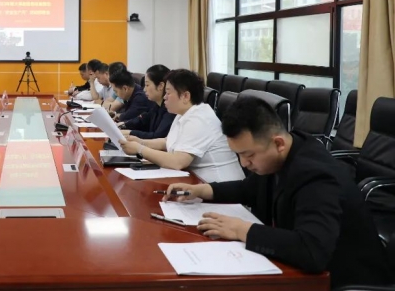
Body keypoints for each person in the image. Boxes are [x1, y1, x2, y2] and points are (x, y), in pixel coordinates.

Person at [164, 97, 392, 289]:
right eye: (239, 155)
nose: (244, 163)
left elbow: (312, 251)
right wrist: (201, 190)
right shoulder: (282, 153)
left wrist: (242, 230)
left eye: (249, 155)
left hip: (342, 281)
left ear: (278, 143)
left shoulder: (316, 177)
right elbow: (249, 189)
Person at [119, 69, 244, 183]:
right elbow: (168, 141)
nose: (164, 97)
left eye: (168, 93)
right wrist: (140, 142)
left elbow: (178, 161)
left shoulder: (198, 119)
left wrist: (140, 149)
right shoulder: (184, 113)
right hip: (196, 183)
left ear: (185, 96)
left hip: (221, 189)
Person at [118, 64, 174, 140]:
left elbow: (157, 137)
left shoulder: (170, 109)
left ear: (160, 86)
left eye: (147, 85)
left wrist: (130, 132)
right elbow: (143, 120)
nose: (144, 90)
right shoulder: (156, 105)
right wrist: (123, 125)